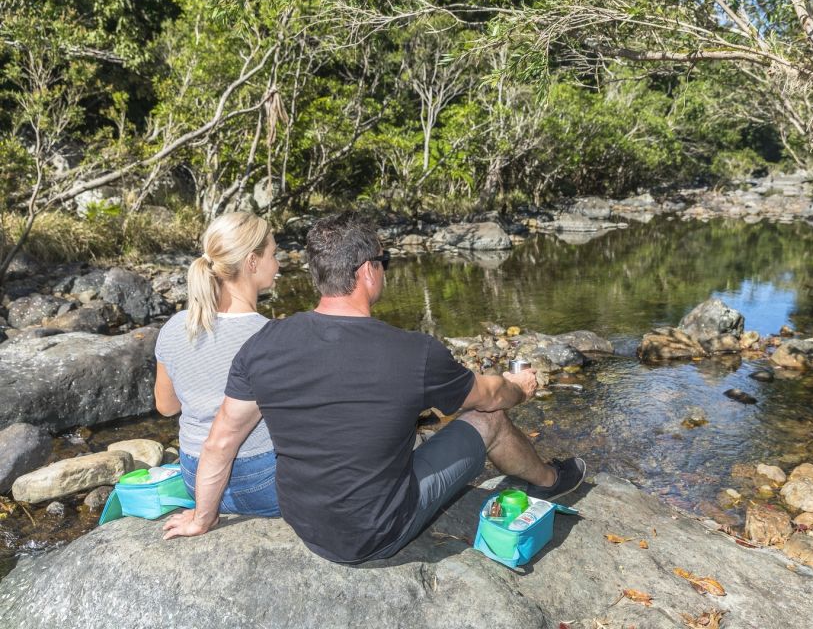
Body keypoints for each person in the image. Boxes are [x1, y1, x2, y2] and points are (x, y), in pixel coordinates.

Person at [162, 211, 586, 563]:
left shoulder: (263, 344)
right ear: (368, 271)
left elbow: (220, 441)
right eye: (385, 262)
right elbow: (490, 396)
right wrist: (517, 386)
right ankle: (549, 480)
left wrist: (203, 517)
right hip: (378, 533)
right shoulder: (413, 352)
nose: (384, 270)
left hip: (304, 522)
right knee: (486, 419)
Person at [154, 211, 281, 517]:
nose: (278, 265)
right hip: (261, 485)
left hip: (193, 478)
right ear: (252, 262)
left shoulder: (175, 326)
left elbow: (166, 406)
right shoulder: (269, 335)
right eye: (274, 254)